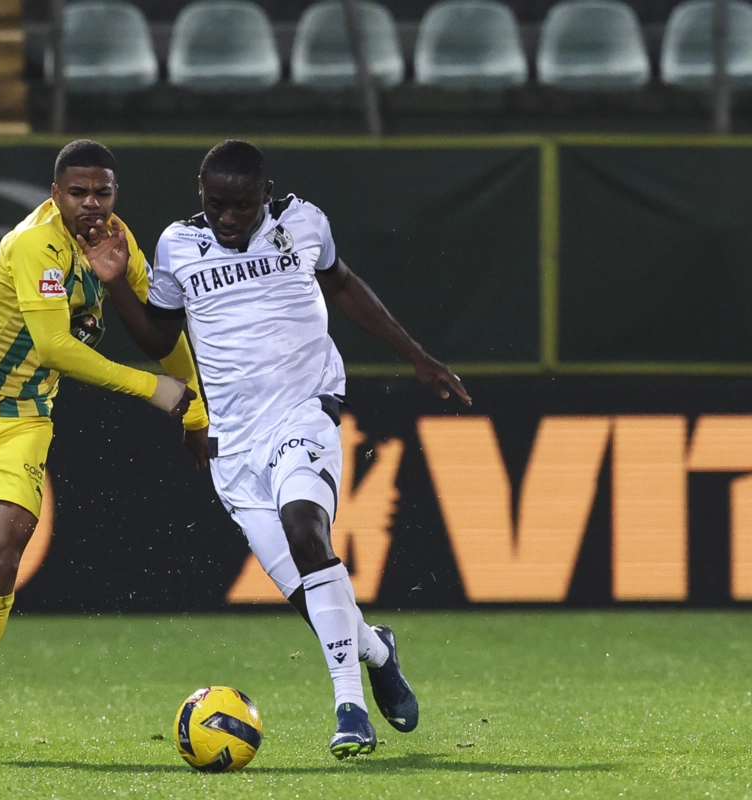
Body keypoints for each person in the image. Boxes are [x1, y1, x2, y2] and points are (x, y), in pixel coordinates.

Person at [92, 139, 473, 759]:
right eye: (216, 204)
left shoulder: (303, 223)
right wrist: (115, 286)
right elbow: (161, 335)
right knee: (307, 592)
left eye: (241, 206)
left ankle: (350, 707)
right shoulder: (176, 246)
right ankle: (376, 649)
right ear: (201, 195)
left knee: (306, 527)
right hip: (234, 441)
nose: (228, 217)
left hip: (306, 409)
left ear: (264, 196)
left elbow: (345, 287)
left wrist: (416, 356)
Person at [0, 139, 208, 762]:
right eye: (78, 193)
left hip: (24, 417)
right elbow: (56, 346)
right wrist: (155, 392)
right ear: (55, 193)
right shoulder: (34, 244)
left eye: (103, 192)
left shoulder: (118, 240)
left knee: (3, 556)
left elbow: (160, 328)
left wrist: (195, 402)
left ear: (115, 193)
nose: (93, 205)